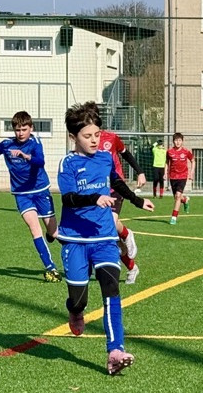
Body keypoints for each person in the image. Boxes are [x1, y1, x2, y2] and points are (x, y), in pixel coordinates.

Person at [56, 102, 154, 376]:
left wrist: (137, 200)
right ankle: (75, 311)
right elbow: (68, 198)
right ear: (73, 137)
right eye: (87, 136)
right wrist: (94, 198)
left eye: (97, 135)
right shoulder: (68, 163)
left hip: (104, 237)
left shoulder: (104, 158)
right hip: (75, 239)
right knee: (78, 299)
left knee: (111, 290)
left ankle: (115, 351)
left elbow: (116, 181)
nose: (94, 140)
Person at [0, 111, 61, 282]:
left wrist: (26, 156)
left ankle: (79, 255)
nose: (20, 133)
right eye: (17, 130)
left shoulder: (35, 143)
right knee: (34, 229)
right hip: (22, 194)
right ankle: (51, 268)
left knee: (54, 233)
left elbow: (40, 161)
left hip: (40, 191)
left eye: (24, 129)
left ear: (31, 128)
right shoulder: (7, 145)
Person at [94, 111, 147, 284]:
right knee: (107, 234)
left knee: (109, 223)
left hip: (115, 187)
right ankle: (132, 267)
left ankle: (126, 233)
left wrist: (140, 172)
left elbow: (126, 154)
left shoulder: (111, 138)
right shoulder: (83, 143)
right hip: (96, 191)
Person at [166, 132, 195, 225]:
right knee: (177, 197)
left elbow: (193, 160)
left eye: (179, 140)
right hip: (173, 177)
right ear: (173, 141)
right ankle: (185, 200)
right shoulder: (169, 152)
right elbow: (167, 162)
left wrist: (191, 172)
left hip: (182, 176)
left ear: (182, 141)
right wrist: (165, 172)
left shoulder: (186, 152)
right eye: (176, 140)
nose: (177, 142)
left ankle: (173, 217)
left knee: (178, 196)